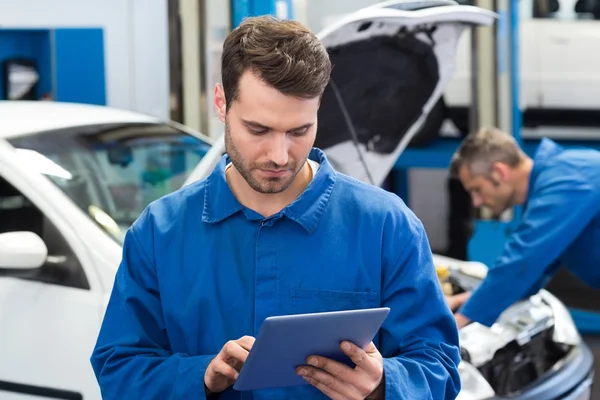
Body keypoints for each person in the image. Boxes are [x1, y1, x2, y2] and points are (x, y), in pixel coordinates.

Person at [90, 15, 461, 399]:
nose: (279, 155)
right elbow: (119, 369)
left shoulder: (386, 226)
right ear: (221, 103)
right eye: (258, 129)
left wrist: (384, 385)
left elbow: (440, 367)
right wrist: (200, 377)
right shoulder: (160, 232)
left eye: (299, 131)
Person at [447, 127, 600, 329]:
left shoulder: (566, 180)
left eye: (477, 189)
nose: (476, 202)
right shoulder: (557, 178)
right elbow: (533, 274)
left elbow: (524, 258)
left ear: (499, 172)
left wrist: (457, 324)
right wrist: (470, 300)